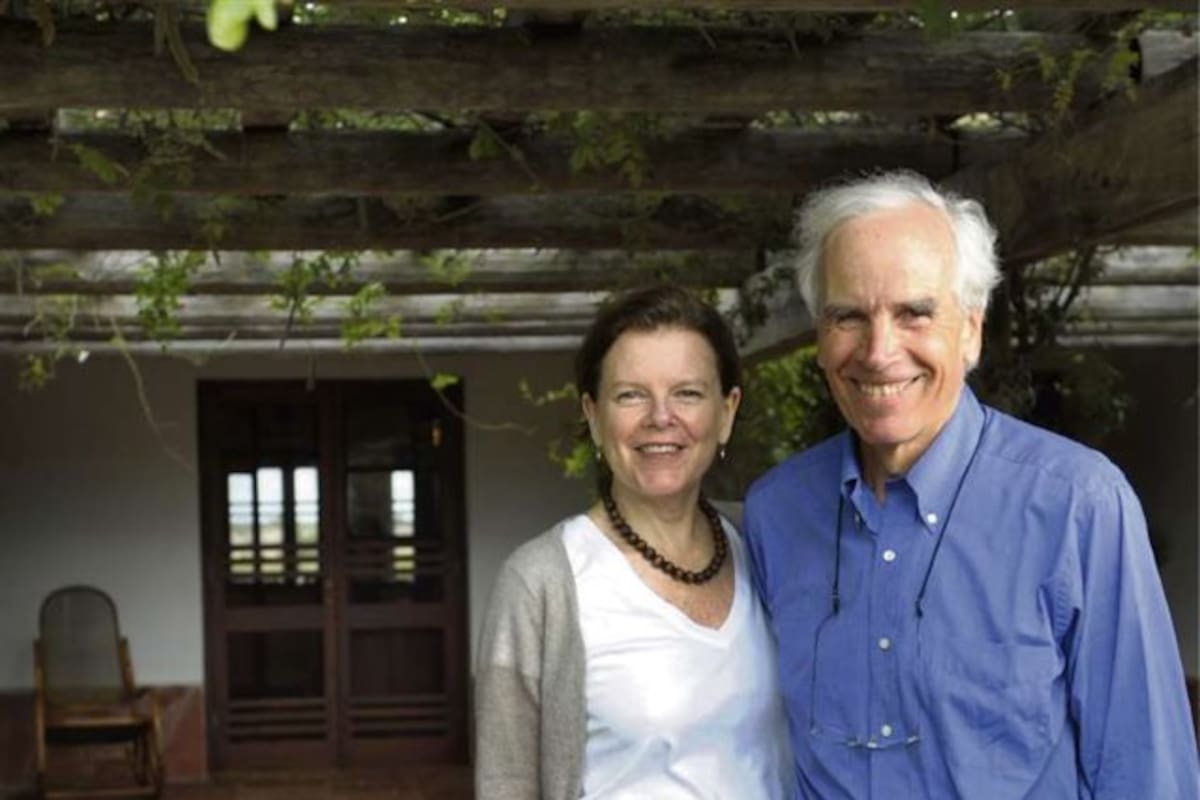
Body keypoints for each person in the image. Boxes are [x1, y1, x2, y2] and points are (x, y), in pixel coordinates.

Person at [743, 170, 1199, 799]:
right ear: (820, 337)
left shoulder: (1077, 505)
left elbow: (1148, 774)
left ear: (971, 330)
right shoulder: (776, 513)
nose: (878, 351)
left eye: (915, 313)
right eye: (848, 315)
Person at [475, 284, 793, 799]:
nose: (660, 417)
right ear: (594, 416)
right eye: (630, 395)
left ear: (727, 411)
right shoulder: (540, 583)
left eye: (687, 392)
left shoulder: (768, 545)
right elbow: (505, 784)